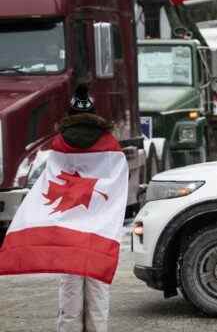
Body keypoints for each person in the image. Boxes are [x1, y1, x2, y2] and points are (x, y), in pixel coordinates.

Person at [57, 85, 126, 332]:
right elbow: (117, 183)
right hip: (100, 227)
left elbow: (52, 182)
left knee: (70, 289)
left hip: (70, 226)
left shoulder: (59, 144)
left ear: (69, 114)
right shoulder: (109, 143)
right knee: (97, 289)